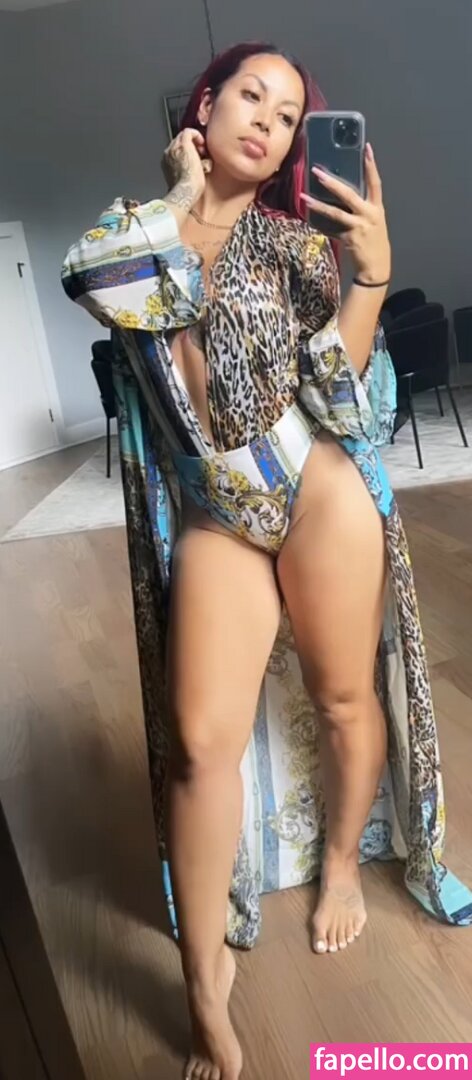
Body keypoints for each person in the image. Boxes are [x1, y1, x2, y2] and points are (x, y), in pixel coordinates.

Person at [61, 41, 472, 1080]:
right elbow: (94, 282)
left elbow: (340, 390)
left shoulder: (295, 242)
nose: (269, 121)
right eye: (252, 95)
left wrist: (371, 273)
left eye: (288, 115)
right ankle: (204, 984)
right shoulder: (135, 229)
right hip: (217, 510)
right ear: (204, 106)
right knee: (200, 746)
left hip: (311, 486)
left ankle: (341, 866)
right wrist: (182, 196)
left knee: (344, 696)